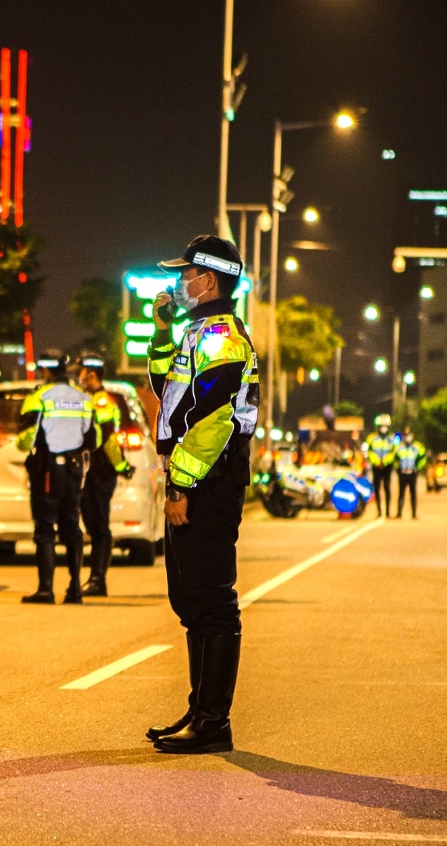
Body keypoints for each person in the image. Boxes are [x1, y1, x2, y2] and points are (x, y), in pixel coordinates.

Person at [144, 235, 258, 755]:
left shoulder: (222, 338)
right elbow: (166, 391)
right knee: (191, 600)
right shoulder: (199, 333)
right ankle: (199, 711)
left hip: (209, 479)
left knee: (212, 600)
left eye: (184, 274)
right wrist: (160, 330)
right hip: (198, 477)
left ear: (208, 280)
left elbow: (210, 422)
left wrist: (180, 485)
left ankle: (214, 722)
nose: (178, 283)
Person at [17, 349, 96, 604]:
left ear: (45, 370)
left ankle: (45, 590)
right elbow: (92, 438)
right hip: (74, 469)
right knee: (72, 526)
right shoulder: (83, 398)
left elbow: (25, 438)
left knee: (45, 528)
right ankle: (75, 589)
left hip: (48, 470)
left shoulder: (39, 396)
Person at [76, 352, 134, 597]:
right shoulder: (89, 398)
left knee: (99, 526)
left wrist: (122, 467)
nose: (77, 376)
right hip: (91, 471)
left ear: (91, 374)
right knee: (93, 524)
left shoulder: (101, 401)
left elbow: (109, 439)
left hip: (100, 472)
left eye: (80, 371)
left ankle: (98, 580)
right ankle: (95, 579)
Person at [364, 414, 398, 518]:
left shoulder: (393, 438)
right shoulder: (371, 438)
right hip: (376, 467)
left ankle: (387, 511)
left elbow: (395, 452)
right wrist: (377, 462)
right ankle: (379, 511)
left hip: (387, 467)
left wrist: (385, 462)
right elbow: (368, 452)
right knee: (377, 489)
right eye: (381, 426)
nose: (383, 428)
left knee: (387, 488)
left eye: (385, 426)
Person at [394, 426, 427, 519]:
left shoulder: (417, 447)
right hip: (403, 473)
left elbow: (422, 458)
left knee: (413, 493)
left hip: (412, 473)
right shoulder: (399, 448)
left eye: (409, 435)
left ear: (412, 436)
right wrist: (398, 469)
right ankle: (399, 512)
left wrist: (418, 468)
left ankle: (414, 513)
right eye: (405, 435)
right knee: (401, 493)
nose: (407, 437)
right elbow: (395, 460)